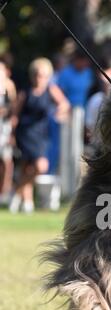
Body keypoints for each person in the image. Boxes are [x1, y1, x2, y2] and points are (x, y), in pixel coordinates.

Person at [10, 58, 69, 213]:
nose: (39, 78)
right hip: (25, 134)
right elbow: (15, 115)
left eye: (43, 75)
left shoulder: (51, 89)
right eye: (37, 75)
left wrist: (59, 113)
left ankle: (16, 192)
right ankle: (27, 204)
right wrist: (12, 135)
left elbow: (64, 104)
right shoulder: (26, 92)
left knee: (40, 166)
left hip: (41, 134)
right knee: (26, 167)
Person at [85, 56, 111, 136]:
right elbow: (89, 127)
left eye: (109, 70)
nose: (104, 75)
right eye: (103, 71)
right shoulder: (95, 99)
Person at [0, 58, 17, 206]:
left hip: (4, 129)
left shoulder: (9, 86)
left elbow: (13, 109)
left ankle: (4, 192)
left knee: (6, 161)